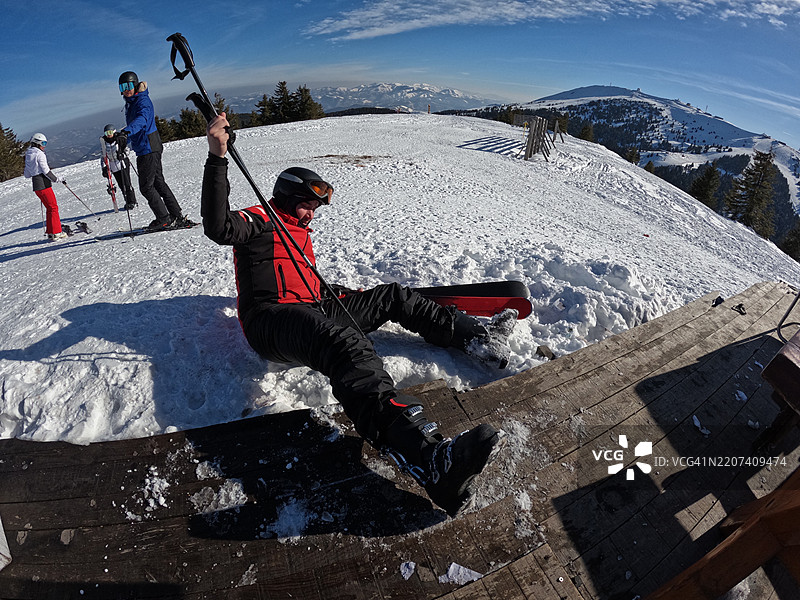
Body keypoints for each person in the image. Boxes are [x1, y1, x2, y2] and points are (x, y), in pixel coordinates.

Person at [202, 113, 516, 517]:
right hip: (271, 321)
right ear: (287, 194)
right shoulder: (259, 218)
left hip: (312, 307)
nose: (311, 214)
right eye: (307, 204)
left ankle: (476, 336)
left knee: (393, 296)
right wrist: (217, 158)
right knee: (345, 343)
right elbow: (218, 226)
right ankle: (430, 460)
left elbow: (303, 281)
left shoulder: (300, 233)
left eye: (316, 207)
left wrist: (343, 297)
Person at [117, 71, 194, 230]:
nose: (126, 90)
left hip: (148, 148)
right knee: (158, 183)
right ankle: (176, 215)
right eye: (122, 86)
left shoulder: (142, 101)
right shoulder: (131, 103)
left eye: (129, 85)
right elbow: (136, 127)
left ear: (135, 85)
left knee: (146, 187)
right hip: (148, 147)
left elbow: (142, 120)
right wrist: (125, 140)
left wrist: (126, 132)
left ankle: (164, 218)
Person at [24, 132, 67, 240]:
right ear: (37, 143)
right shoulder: (39, 154)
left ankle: (51, 232)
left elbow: (27, 174)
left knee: (49, 208)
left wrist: (34, 171)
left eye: (45, 143)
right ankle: (56, 233)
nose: (44, 145)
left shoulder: (28, 154)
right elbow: (46, 171)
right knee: (53, 207)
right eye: (43, 143)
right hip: (44, 184)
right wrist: (57, 179)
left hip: (36, 186)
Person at [100, 124, 137, 211]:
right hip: (113, 166)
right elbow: (103, 157)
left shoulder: (119, 140)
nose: (108, 134)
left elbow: (127, 150)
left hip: (122, 164)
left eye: (109, 132)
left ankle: (132, 201)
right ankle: (127, 201)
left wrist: (122, 155)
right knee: (121, 185)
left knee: (127, 183)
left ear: (113, 131)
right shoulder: (104, 143)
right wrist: (104, 167)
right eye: (106, 133)